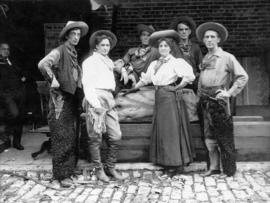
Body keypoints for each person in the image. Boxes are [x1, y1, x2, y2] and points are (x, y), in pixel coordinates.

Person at [133, 30, 196, 176]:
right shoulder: (155, 63)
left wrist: (178, 87)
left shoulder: (176, 62)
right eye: (160, 46)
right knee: (163, 129)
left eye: (165, 46)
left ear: (170, 48)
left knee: (171, 130)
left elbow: (189, 76)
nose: (162, 48)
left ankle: (175, 164)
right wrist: (132, 89)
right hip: (159, 96)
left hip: (169, 97)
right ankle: (166, 162)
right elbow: (146, 79)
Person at [38, 21, 89, 186]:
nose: (75, 37)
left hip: (71, 100)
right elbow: (43, 64)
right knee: (61, 137)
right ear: (66, 35)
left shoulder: (73, 53)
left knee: (71, 137)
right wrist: (52, 79)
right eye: (72, 34)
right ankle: (59, 176)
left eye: (78, 35)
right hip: (59, 101)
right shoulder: (59, 51)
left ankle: (68, 173)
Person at [196, 22, 248, 177]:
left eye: (212, 37)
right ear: (204, 41)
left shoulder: (227, 57)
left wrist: (229, 93)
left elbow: (243, 76)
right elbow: (202, 79)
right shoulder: (206, 58)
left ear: (218, 39)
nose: (209, 40)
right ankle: (214, 167)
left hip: (219, 102)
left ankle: (229, 170)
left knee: (224, 137)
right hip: (205, 102)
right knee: (209, 137)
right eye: (206, 37)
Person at [82, 30, 128, 182]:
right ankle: (98, 169)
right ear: (96, 46)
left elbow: (117, 70)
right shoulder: (90, 62)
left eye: (108, 45)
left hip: (109, 98)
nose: (106, 48)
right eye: (102, 45)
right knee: (95, 137)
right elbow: (87, 85)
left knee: (116, 135)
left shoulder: (108, 62)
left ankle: (111, 166)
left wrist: (124, 70)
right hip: (96, 98)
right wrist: (95, 105)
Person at [170, 16, 203, 121]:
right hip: (178, 79)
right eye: (181, 30)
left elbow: (200, 65)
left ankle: (199, 114)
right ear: (177, 32)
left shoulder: (195, 47)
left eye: (186, 29)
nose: (183, 32)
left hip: (193, 79)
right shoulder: (173, 47)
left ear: (190, 31)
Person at [114, 24, 159, 92]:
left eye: (148, 35)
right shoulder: (132, 51)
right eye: (143, 35)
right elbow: (121, 63)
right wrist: (124, 71)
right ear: (140, 37)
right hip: (129, 77)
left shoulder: (155, 51)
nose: (145, 37)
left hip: (145, 80)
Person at [0, 41, 26, 151]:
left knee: (19, 117)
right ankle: (4, 132)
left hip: (18, 93)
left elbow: (21, 73)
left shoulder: (12, 62)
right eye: (3, 49)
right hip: (6, 94)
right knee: (14, 114)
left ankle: (16, 142)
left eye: (7, 49)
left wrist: (23, 77)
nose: (6, 51)